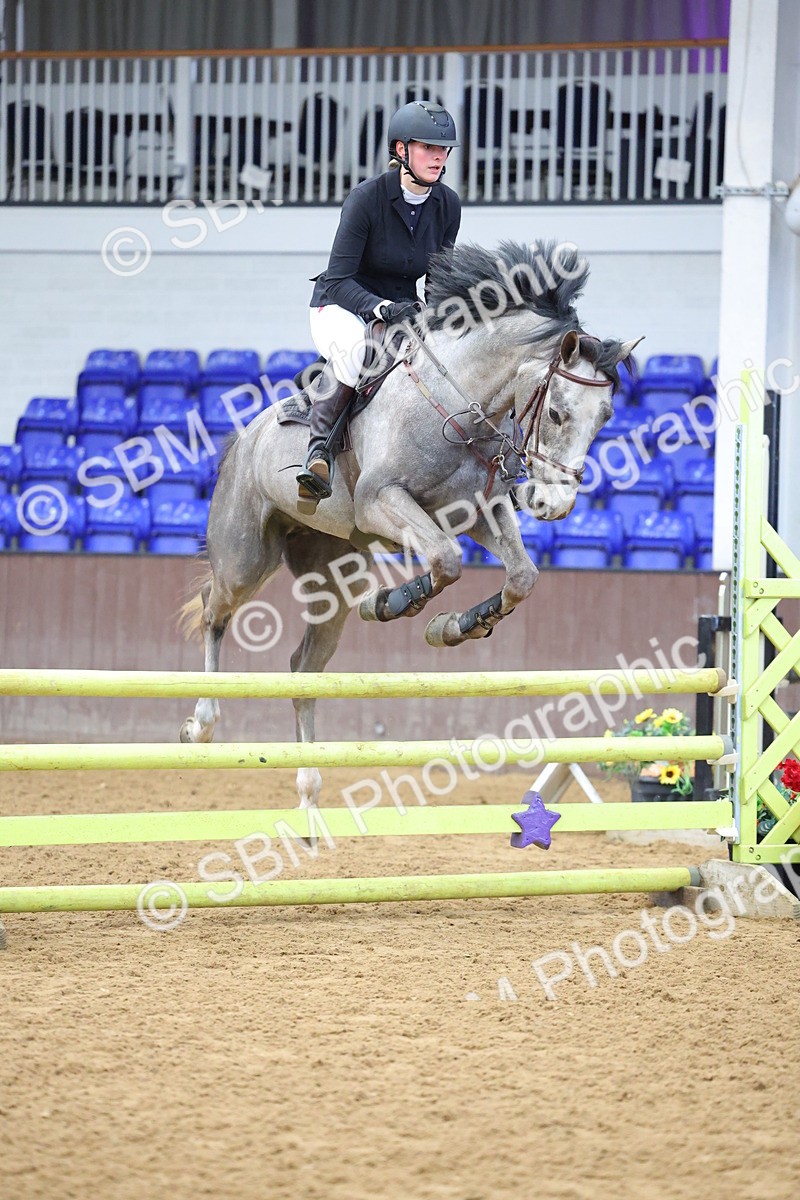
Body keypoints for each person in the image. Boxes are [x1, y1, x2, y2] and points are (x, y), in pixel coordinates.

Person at [296, 99, 461, 504]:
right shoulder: (366, 199)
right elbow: (338, 279)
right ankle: (318, 453)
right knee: (357, 351)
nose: (438, 157)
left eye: (443, 149)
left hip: (400, 310)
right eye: (428, 148)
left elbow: (436, 281)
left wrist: (442, 320)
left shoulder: (447, 205)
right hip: (340, 304)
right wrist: (381, 308)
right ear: (401, 150)